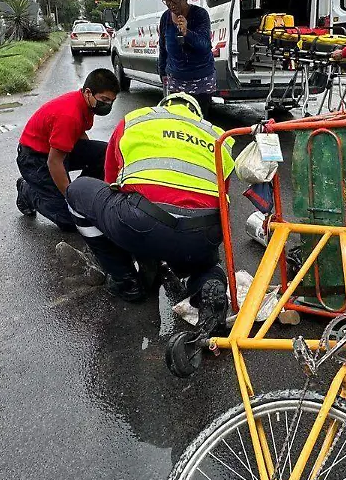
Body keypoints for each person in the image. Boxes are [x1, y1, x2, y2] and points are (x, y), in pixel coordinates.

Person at [65, 93, 236, 335]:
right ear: (196, 115)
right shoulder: (218, 135)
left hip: (142, 221)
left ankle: (126, 280)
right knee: (203, 264)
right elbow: (219, 199)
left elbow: (112, 182)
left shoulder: (136, 120)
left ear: (163, 107)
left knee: (77, 191)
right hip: (202, 232)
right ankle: (210, 285)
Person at [15, 68, 119, 231]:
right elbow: (54, 162)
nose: (107, 105)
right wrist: (71, 199)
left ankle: (82, 192)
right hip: (34, 159)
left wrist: (90, 159)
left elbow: (79, 135)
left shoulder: (85, 105)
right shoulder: (69, 115)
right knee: (70, 220)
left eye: (111, 101)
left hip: (54, 150)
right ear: (88, 92)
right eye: (104, 100)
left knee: (104, 154)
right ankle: (26, 190)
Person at [158, 0, 216, 120]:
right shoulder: (165, 18)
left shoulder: (200, 15)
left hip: (201, 81)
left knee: (200, 123)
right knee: (177, 123)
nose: (171, 3)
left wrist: (187, 32)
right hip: (175, 80)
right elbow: (163, 47)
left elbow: (204, 46)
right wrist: (162, 71)